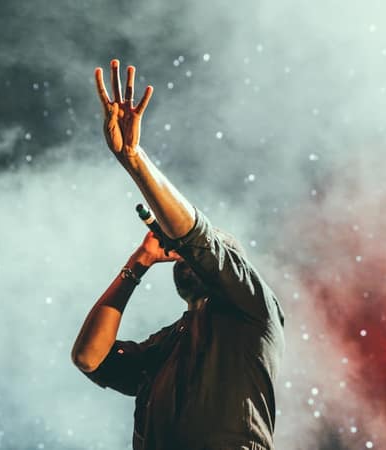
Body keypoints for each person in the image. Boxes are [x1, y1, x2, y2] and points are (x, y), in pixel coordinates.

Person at [71, 59, 285, 450]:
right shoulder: (167, 343)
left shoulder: (254, 308)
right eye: (182, 255)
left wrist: (134, 159)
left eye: (196, 254)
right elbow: (89, 358)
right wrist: (138, 263)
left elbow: (198, 238)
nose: (185, 257)